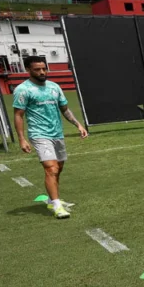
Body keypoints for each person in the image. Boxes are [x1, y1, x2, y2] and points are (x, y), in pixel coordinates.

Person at [13, 55, 89, 219]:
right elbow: (18, 115)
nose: (42, 72)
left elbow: (65, 109)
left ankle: (51, 199)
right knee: (51, 168)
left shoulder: (54, 87)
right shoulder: (23, 90)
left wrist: (78, 125)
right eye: (37, 69)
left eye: (43, 68)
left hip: (57, 133)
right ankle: (57, 206)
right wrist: (21, 138)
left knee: (58, 169)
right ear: (28, 70)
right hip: (39, 135)